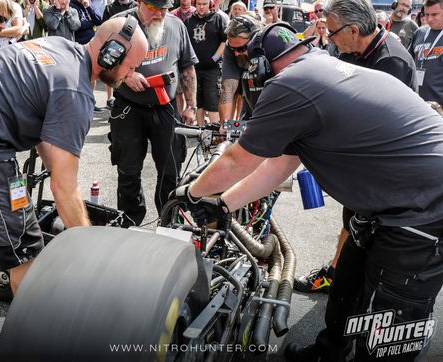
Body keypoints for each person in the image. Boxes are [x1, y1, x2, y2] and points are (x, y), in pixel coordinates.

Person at [173, 22, 443, 362]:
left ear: (259, 66)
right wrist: (224, 205)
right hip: (386, 203)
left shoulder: (292, 83)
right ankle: (329, 353)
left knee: (390, 323)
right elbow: (280, 164)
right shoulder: (318, 70)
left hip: (425, 208)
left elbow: (236, 160)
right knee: (348, 285)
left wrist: (193, 195)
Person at [0, 17, 147, 362]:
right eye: (132, 65)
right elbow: (64, 188)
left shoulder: (61, 47)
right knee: (26, 256)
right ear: (111, 54)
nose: (132, 73)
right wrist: (90, 249)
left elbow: (40, 121)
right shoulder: (75, 90)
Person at [294, 0, 417, 295]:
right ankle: (337, 274)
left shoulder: (391, 61)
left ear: (352, 30)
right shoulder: (358, 50)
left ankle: (352, 289)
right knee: (351, 221)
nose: (332, 40)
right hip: (364, 163)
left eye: (333, 33)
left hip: (385, 169)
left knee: (366, 230)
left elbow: (378, 126)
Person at [108, 0, 198, 227]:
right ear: (139, 2)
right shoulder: (119, 24)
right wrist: (126, 75)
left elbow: (187, 67)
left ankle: (168, 223)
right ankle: (129, 222)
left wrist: (191, 105)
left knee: (171, 171)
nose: (159, 14)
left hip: (166, 107)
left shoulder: (177, 26)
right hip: (129, 108)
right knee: (128, 171)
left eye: (164, 9)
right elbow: (100, 63)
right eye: (153, 8)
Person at [184, 0, 227, 125]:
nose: (201, 7)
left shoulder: (218, 19)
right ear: (195, 4)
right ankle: (201, 130)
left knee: (212, 100)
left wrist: (215, 58)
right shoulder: (188, 21)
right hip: (194, 68)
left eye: (204, 4)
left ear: (210, 4)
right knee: (198, 101)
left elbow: (225, 42)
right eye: (199, 4)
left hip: (212, 69)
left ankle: (214, 132)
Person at [102, 0, 137, 109]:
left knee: (130, 73)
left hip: (132, 45)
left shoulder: (135, 6)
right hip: (114, 45)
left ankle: (130, 100)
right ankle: (110, 99)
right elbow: (104, 27)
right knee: (111, 71)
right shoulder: (109, 8)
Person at [409, 0, 443, 106]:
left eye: (434, 14)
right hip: (417, 103)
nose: (429, 19)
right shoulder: (420, 32)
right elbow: (408, 62)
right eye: (427, 14)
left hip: (439, 108)